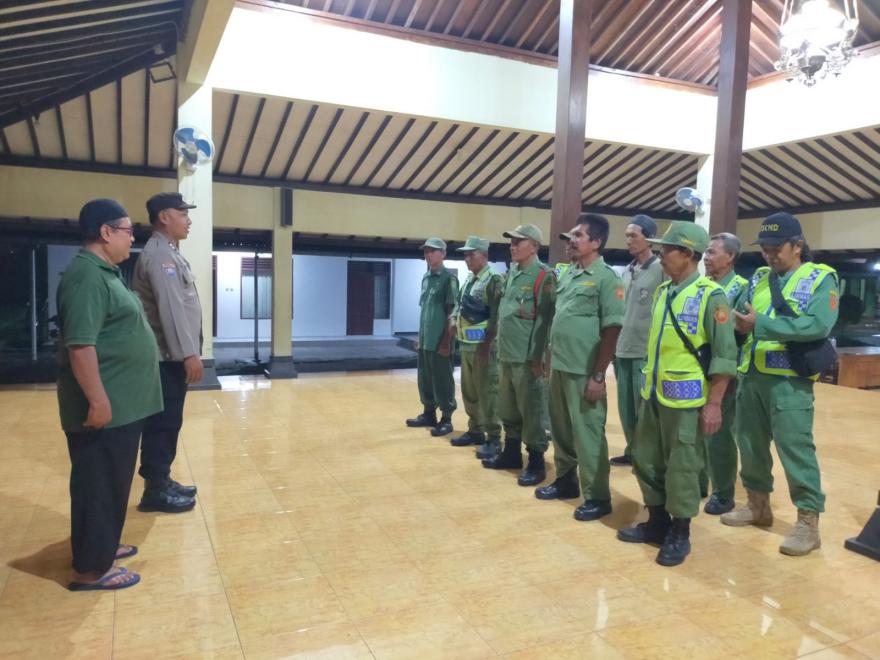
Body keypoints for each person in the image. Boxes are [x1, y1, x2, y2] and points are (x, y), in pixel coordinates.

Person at [56, 199, 163, 591]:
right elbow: (80, 346)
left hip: (123, 406)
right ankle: (91, 570)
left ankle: (100, 546)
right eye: (128, 231)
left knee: (110, 483)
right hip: (106, 408)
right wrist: (99, 400)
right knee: (98, 485)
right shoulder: (86, 276)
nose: (131, 238)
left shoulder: (106, 273)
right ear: (105, 232)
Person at [617, 221, 737, 567]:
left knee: (682, 466)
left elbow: (725, 356)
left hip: (686, 399)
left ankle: (680, 531)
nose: (660, 255)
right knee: (645, 458)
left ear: (687, 254)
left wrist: (714, 404)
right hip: (653, 393)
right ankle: (657, 521)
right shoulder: (663, 292)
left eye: (666, 249)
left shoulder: (711, 296)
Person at [723, 212, 838, 557]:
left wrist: (760, 325)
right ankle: (757, 505)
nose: (769, 255)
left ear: (797, 246)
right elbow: (740, 313)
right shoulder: (759, 277)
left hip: (789, 382)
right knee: (750, 445)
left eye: (776, 248)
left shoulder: (820, 278)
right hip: (751, 377)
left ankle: (808, 523)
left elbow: (817, 325)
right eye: (765, 249)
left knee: (795, 449)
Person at [535, 215, 624, 521]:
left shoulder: (607, 278)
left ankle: (598, 496)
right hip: (560, 365)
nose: (571, 241)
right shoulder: (569, 274)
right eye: (571, 236)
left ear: (596, 242)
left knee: (588, 435)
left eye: (578, 236)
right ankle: (566, 479)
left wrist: (598, 375)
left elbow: (612, 329)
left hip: (585, 370)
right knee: (560, 429)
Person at [132, 192, 203, 513]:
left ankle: (161, 478)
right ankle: (155, 491)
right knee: (162, 422)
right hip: (166, 358)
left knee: (169, 421)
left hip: (169, 357)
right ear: (164, 217)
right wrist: (188, 354)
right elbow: (171, 310)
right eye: (182, 213)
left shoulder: (169, 252)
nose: (188, 220)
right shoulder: (161, 256)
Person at [482, 224, 556, 487]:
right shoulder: (512, 274)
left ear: (534, 246)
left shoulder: (543, 276)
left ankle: (536, 461)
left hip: (527, 358)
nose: (512, 246)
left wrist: (537, 357)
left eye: (518, 242)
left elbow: (545, 322)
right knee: (508, 407)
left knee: (532, 410)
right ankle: (511, 453)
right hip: (506, 355)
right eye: (511, 242)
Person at [700, 232, 749, 515]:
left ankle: (723, 492)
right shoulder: (702, 285)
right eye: (705, 252)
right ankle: (698, 482)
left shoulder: (740, 288)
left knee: (719, 433)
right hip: (698, 366)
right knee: (696, 429)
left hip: (725, 368)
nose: (706, 258)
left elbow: (738, 330)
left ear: (730, 256)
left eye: (711, 252)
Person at [611, 215, 664, 467]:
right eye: (627, 236)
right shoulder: (626, 272)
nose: (629, 240)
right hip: (622, 349)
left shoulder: (661, 270)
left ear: (650, 239)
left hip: (644, 352)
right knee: (626, 408)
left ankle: (647, 456)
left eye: (634, 235)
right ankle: (632, 450)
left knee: (644, 409)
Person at [448, 236, 503, 456]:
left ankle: (494, 438)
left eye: (471, 254)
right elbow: (459, 305)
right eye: (465, 254)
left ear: (485, 255)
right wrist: (453, 318)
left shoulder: (493, 279)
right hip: (467, 346)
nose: (467, 258)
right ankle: (475, 430)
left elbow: (496, 316)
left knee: (488, 393)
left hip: (484, 347)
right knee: (469, 392)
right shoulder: (470, 280)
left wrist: (486, 345)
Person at [406, 237, 459, 436]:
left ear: (443, 254)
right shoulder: (426, 278)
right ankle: (429, 413)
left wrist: (446, 341)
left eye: (432, 251)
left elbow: (451, 312)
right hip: (426, 340)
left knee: (443, 380)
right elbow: (426, 311)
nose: (428, 254)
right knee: (425, 379)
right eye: (426, 251)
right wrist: (421, 337)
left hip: (440, 341)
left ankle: (446, 418)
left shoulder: (448, 279)